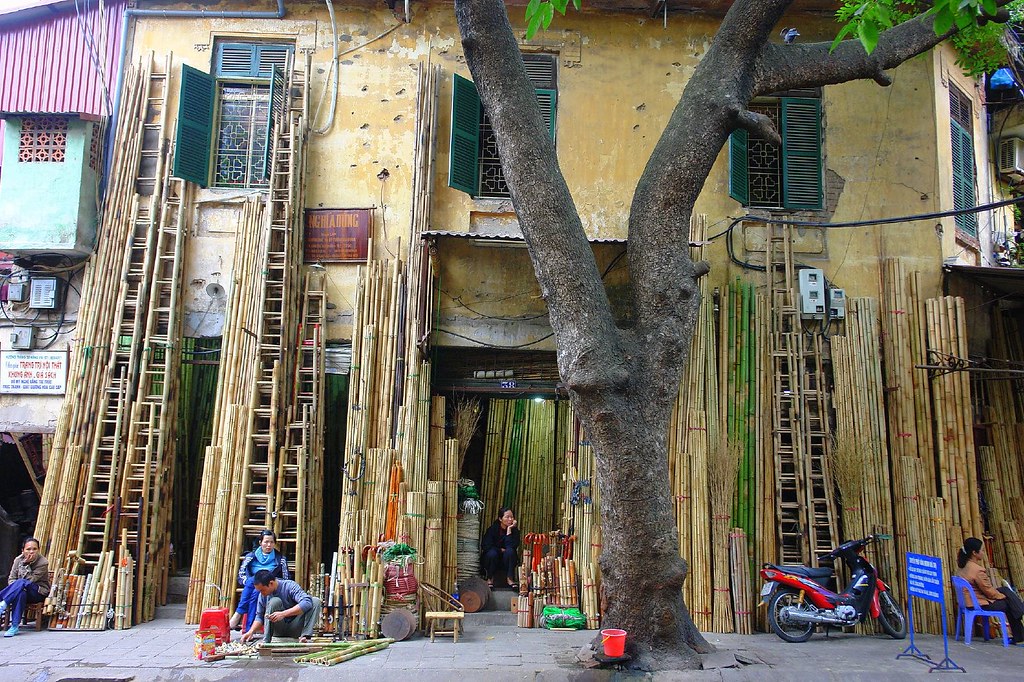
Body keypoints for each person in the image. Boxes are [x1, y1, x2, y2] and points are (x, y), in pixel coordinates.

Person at [957, 536, 1024, 644]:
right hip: (979, 603)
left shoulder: (962, 566)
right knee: (1009, 603)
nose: (983, 553)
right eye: (982, 550)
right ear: (974, 553)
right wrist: (1001, 596)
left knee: (1005, 590)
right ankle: (1019, 635)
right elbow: (988, 591)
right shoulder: (977, 570)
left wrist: (1001, 593)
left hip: (968, 601)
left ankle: (1020, 610)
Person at [229, 529, 290, 631]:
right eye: (266, 542)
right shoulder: (250, 557)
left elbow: (285, 578)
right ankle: (249, 629)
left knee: (255, 590)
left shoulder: (280, 559)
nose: (269, 545)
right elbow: (241, 574)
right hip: (252, 586)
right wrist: (252, 583)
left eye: (271, 542)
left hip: (269, 587)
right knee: (253, 584)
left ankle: (239, 614)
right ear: (260, 542)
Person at [240, 570, 320, 644]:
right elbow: (259, 616)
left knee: (315, 601)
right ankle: (266, 640)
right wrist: (251, 632)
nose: (261, 593)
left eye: (262, 590)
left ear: (271, 583)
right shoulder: (262, 595)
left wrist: (283, 614)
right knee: (274, 601)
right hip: (277, 629)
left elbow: (306, 602)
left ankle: (305, 637)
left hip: (295, 627)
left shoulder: (289, 586)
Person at [0, 537, 50, 637]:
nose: (31, 552)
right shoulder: (18, 560)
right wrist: (16, 588)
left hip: (37, 592)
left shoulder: (43, 562)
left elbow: (30, 580)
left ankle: (3, 603)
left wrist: (25, 565)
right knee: (21, 592)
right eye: (28, 549)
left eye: (34, 549)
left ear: (38, 550)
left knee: (22, 582)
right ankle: (14, 626)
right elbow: (11, 579)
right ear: (23, 551)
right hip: (22, 590)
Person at [480, 507, 520, 589]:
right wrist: (500, 550)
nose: (510, 519)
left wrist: (509, 530)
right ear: (500, 519)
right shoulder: (492, 530)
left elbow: (512, 546)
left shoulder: (514, 531)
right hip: (493, 558)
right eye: (507, 517)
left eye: (512, 517)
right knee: (492, 553)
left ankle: (510, 579)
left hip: (507, 560)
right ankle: (490, 579)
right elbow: (486, 546)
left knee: (510, 552)